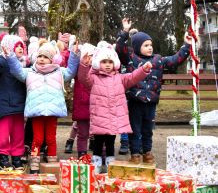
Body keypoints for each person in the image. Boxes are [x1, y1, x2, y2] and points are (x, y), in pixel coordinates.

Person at [116, 18, 191, 164]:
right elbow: (119, 48)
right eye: (146, 45)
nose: (150, 47)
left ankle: (147, 152)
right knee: (134, 129)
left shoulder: (158, 60)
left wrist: (186, 45)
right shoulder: (131, 58)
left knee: (147, 130)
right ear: (137, 47)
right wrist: (125, 32)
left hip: (151, 102)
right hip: (135, 102)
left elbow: (176, 59)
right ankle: (135, 154)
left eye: (151, 45)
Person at [4, 40, 80, 173]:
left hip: (52, 111)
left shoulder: (59, 72)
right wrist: (10, 56)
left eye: (45, 57)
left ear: (52, 60)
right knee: (37, 139)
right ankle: (34, 164)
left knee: (51, 139)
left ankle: (52, 165)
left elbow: (71, 71)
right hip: (37, 111)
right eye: (40, 56)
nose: (42, 59)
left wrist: (74, 54)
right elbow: (16, 71)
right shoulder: (30, 72)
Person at [78, 43, 151, 173]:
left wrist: (143, 70)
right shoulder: (93, 78)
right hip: (100, 118)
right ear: (98, 63)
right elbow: (83, 78)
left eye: (110, 62)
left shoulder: (120, 78)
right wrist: (84, 65)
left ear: (115, 63)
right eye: (104, 61)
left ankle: (110, 165)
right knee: (98, 143)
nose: (107, 65)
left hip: (113, 118)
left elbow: (133, 77)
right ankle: (96, 165)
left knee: (111, 142)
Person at [0, 35, 27, 170]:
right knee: (4, 133)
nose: (20, 48)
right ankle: (3, 156)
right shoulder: (2, 61)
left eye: (21, 46)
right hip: (5, 103)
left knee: (18, 133)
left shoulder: (25, 63)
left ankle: (16, 157)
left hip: (20, 103)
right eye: (17, 46)